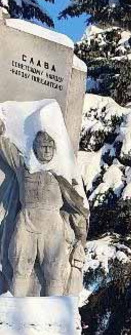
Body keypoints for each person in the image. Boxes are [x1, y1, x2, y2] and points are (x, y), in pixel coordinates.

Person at [0, 119, 88, 296]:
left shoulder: (61, 174)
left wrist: (79, 228)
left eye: (50, 146)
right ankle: (15, 311)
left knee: (55, 273)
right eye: (42, 145)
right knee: (20, 265)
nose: (46, 149)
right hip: (27, 220)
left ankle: (54, 313)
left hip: (52, 225)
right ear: (35, 147)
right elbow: (8, 151)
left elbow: (77, 202)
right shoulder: (24, 167)